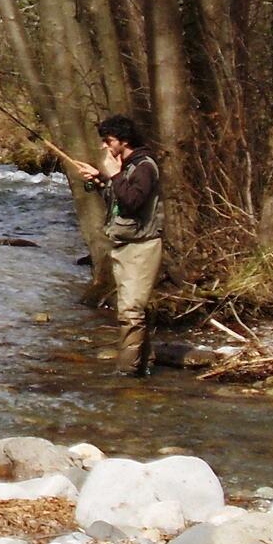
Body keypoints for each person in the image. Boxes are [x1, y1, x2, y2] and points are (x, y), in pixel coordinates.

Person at [73, 114, 163, 377]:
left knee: (131, 311)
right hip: (125, 245)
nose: (104, 146)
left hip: (142, 247)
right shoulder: (127, 167)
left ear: (124, 141)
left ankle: (127, 373)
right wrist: (101, 179)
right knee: (131, 307)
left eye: (108, 140)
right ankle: (143, 366)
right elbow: (118, 202)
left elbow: (133, 201)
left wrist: (113, 175)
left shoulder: (145, 166)